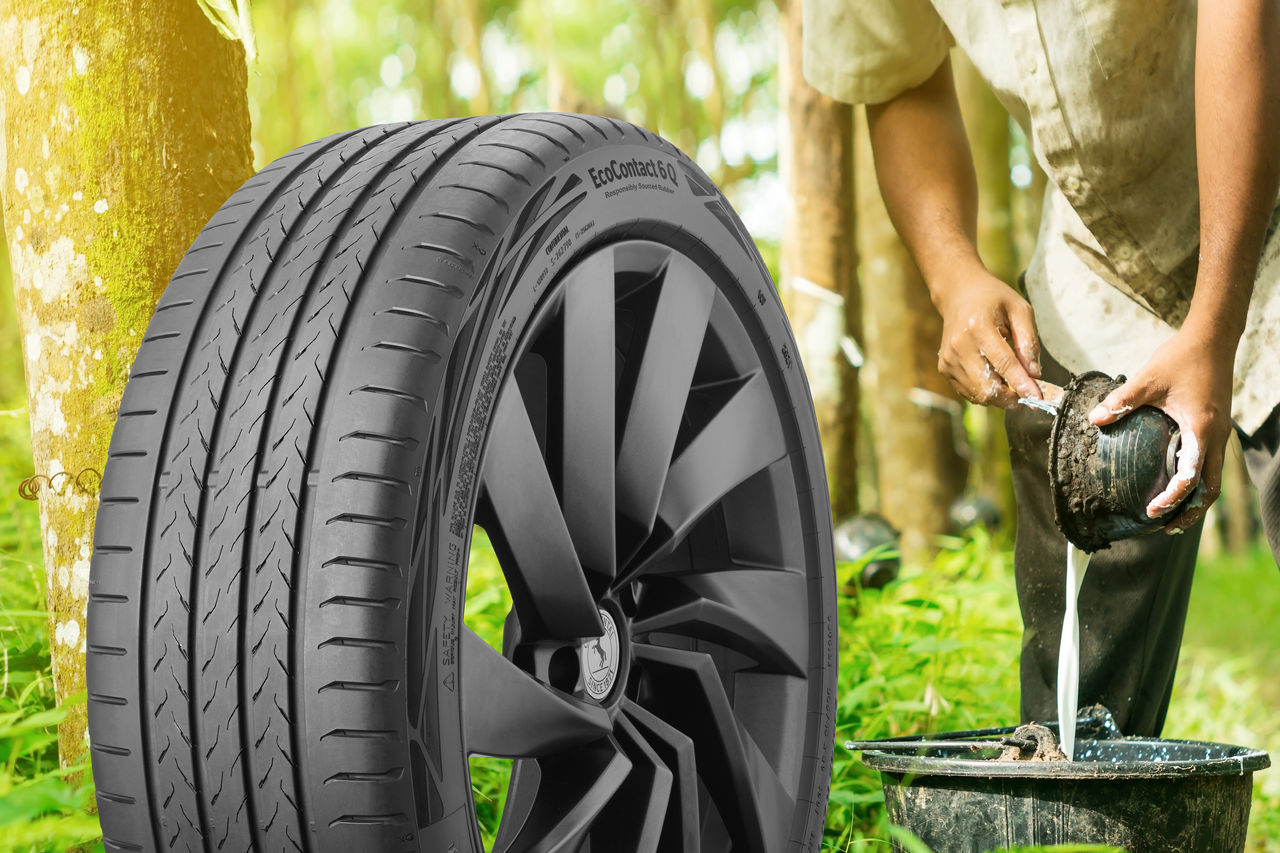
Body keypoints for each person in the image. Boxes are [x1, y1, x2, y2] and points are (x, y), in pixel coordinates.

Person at [803, 0, 1280, 736]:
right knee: (1078, 724)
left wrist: (1214, 326)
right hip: (1103, 254)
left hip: (1265, 168)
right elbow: (897, 76)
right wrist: (953, 273)